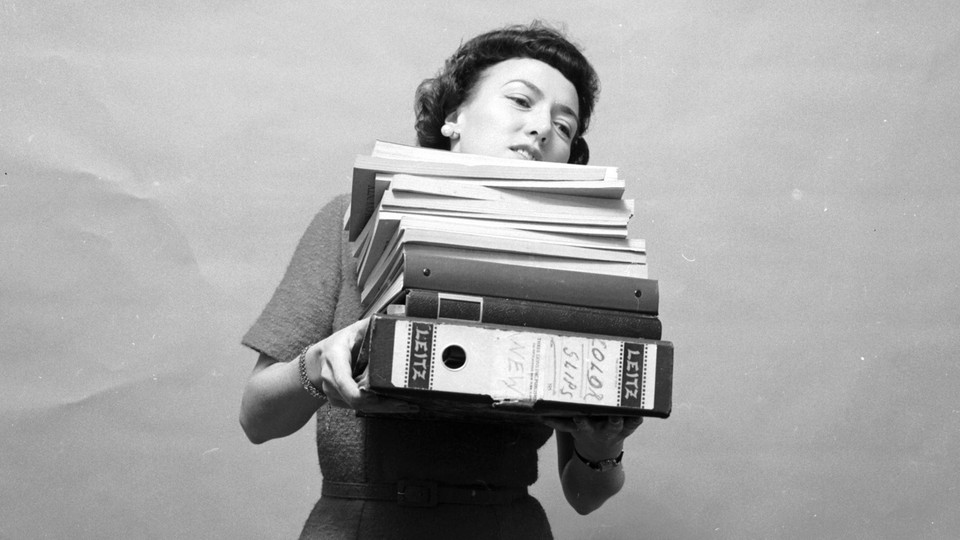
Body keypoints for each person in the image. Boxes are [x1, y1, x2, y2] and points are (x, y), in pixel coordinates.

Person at [239, 22, 643, 539]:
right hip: (357, 525)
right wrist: (317, 364)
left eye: (564, 127)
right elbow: (256, 418)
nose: (542, 128)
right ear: (453, 117)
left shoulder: (581, 260)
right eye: (521, 101)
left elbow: (585, 497)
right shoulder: (354, 221)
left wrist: (602, 444)